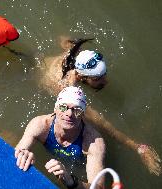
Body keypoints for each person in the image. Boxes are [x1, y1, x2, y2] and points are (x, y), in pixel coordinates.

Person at [36, 36, 161, 176]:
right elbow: (105, 126)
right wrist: (138, 148)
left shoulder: (76, 57)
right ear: (81, 77)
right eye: (98, 79)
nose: (106, 82)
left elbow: (63, 39)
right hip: (39, 75)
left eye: (104, 75)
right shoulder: (65, 89)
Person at [15, 86, 105, 189]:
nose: (69, 114)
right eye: (63, 107)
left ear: (82, 114)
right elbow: (19, 151)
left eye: (77, 110)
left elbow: (98, 187)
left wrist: (71, 181)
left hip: (79, 164)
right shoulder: (40, 125)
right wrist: (23, 154)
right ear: (55, 108)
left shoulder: (93, 142)